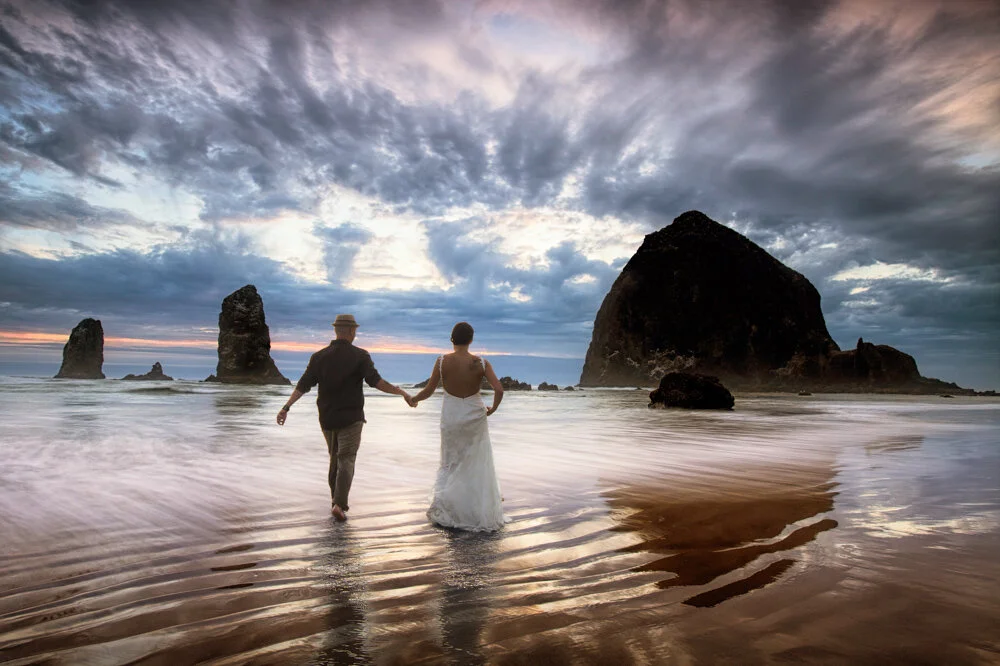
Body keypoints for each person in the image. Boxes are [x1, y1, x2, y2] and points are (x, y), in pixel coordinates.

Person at [277, 314, 412, 521]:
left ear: (335, 331)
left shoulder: (318, 357)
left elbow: (303, 385)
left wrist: (286, 407)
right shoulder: (360, 356)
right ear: (351, 331)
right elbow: (377, 382)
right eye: (355, 330)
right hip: (352, 417)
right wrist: (401, 393)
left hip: (327, 417)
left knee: (335, 459)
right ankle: (339, 505)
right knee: (346, 459)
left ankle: (335, 502)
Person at [409, 321, 507, 531]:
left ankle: (447, 509)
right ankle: (475, 510)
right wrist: (493, 409)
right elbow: (499, 390)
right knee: (475, 462)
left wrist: (414, 399)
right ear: (471, 340)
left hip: (452, 415)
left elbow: (429, 389)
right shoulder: (481, 363)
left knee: (451, 460)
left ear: (452, 339)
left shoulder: (442, 361)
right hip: (475, 414)